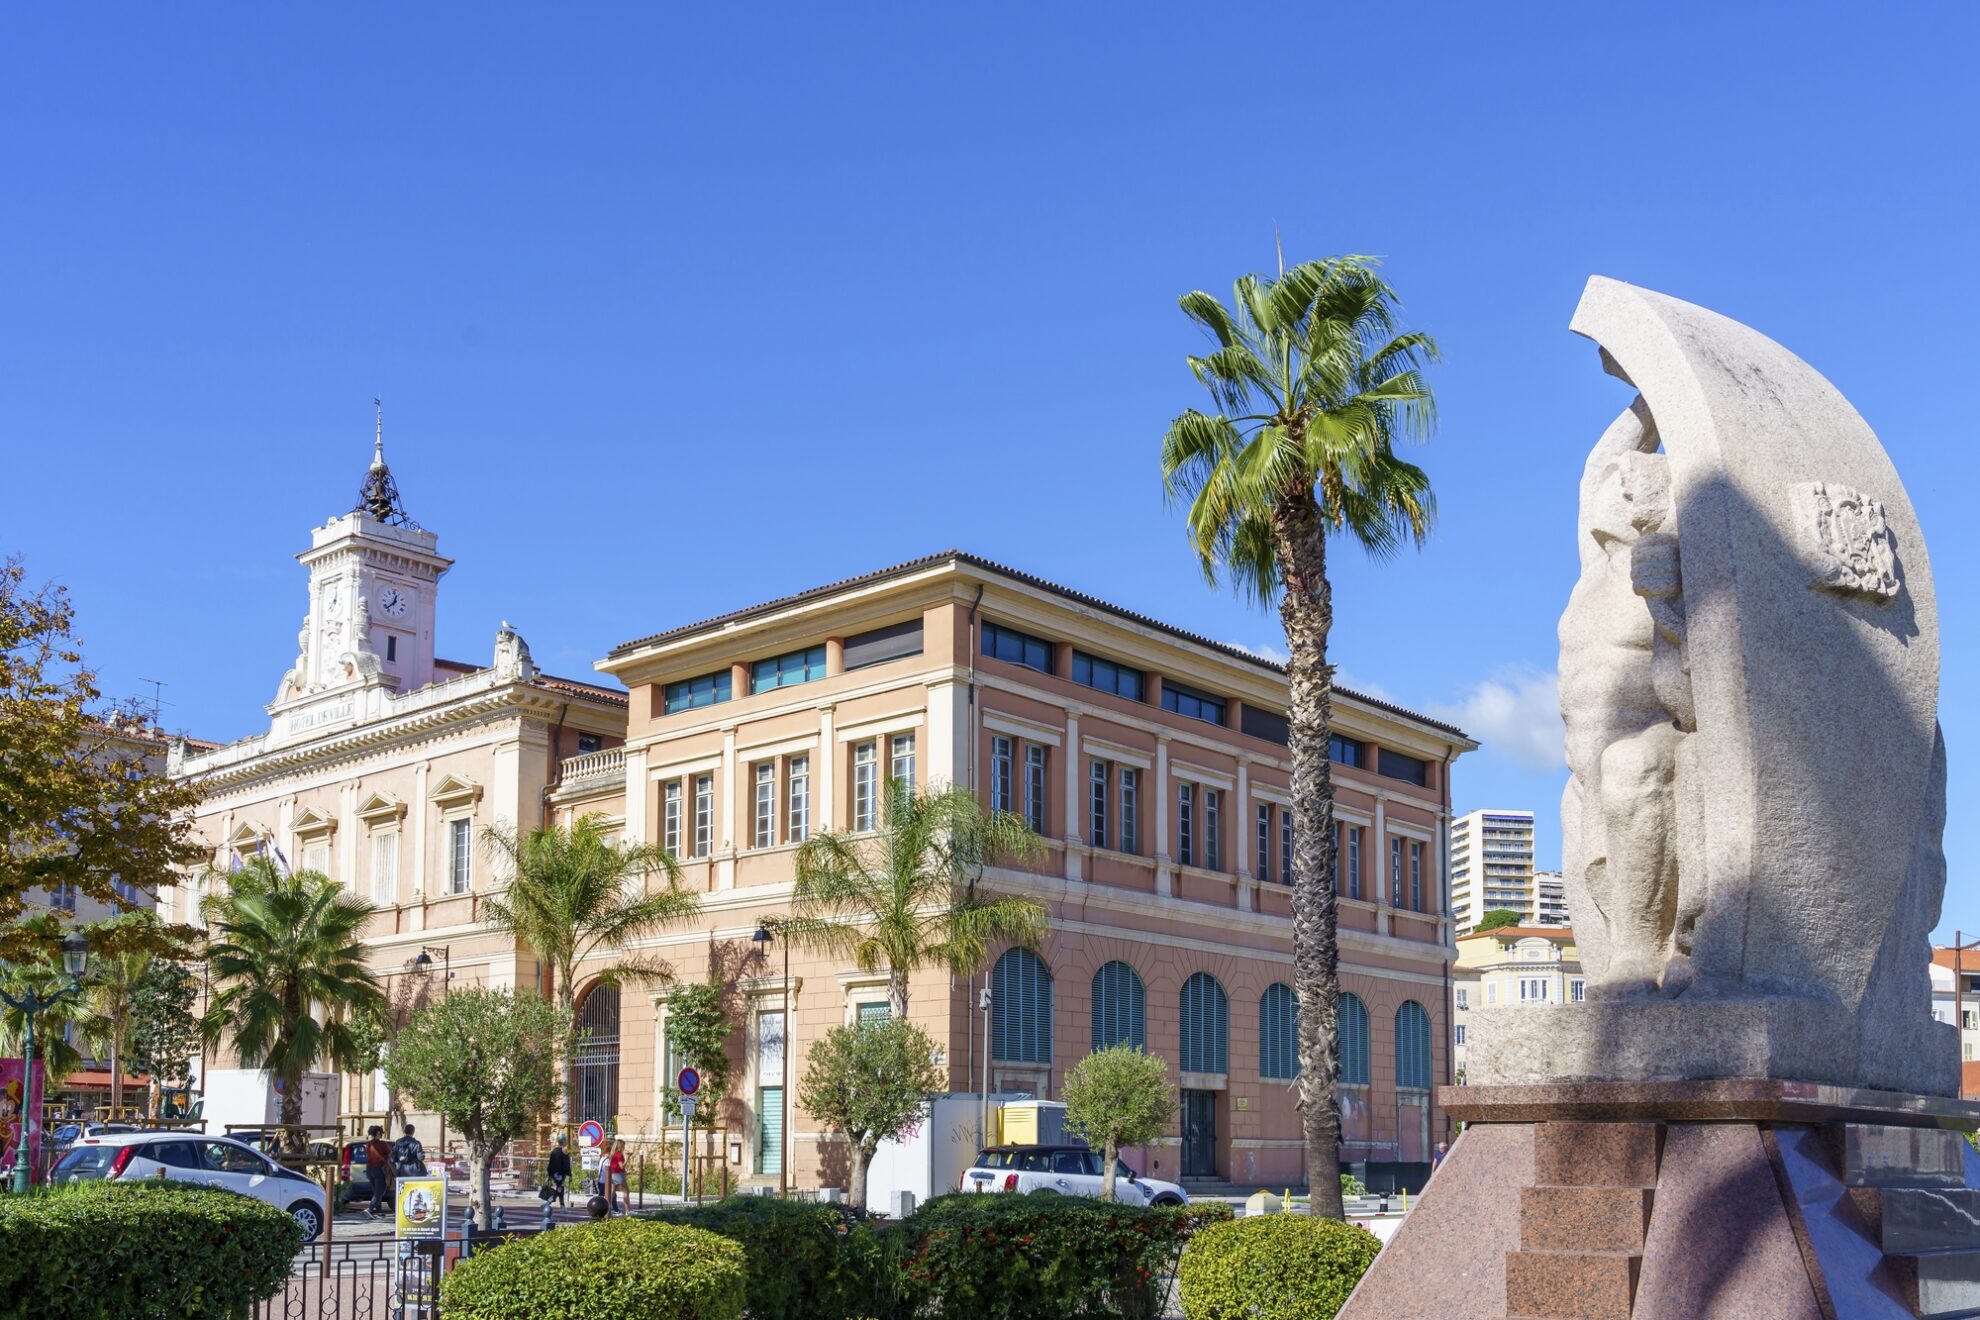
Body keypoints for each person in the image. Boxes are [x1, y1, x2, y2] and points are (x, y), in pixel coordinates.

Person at [365, 1125, 392, 1216]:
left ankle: (378, 1210)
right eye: (381, 1133)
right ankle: (370, 1208)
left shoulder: (368, 1144)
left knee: (376, 1190)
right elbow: (390, 1154)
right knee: (380, 1190)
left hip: (369, 1169)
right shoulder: (382, 1144)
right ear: (378, 1133)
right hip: (379, 1169)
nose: (381, 1135)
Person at [546, 1133, 571, 1207]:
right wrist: (569, 1174)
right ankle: (549, 1202)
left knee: (560, 1188)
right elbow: (566, 1164)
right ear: (563, 1142)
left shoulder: (554, 1151)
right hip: (560, 1174)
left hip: (554, 1173)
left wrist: (550, 1174)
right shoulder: (564, 1152)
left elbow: (550, 1164)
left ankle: (562, 1205)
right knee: (559, 1188)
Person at [606, 1137, 627, 1214]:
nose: (624, 1147)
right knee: (626, 1192)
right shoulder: (619, 1155)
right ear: (621, 1146)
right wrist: (628, 1158)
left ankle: (608, 1208)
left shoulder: (613, 1154)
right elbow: (621, 1166)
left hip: (613, 1173)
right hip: (619, 1174)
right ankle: (627, 1210)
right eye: (623, 1146)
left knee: (612, 1192)